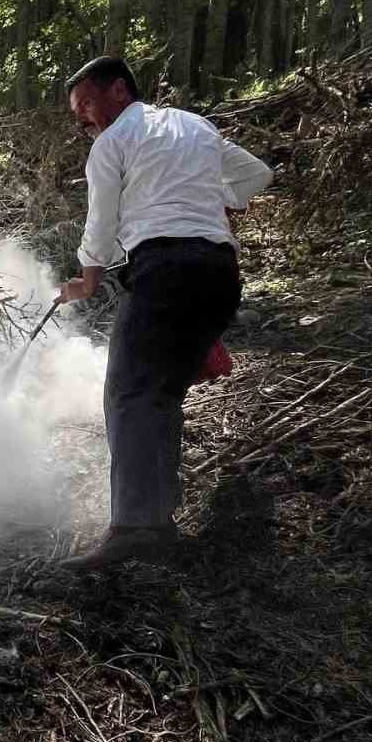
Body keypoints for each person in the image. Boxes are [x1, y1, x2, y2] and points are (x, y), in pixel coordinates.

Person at [58, 55, 273, 569]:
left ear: (118, 91)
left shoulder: (113, 143)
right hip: (219, 275)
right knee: (161, 394)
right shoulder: (194, 125)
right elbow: (257, 175)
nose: (83, 118)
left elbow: (102, 220)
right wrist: (210, 200)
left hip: (164, 273)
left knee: (129, 394)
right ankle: (158, 516)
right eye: (77, 111)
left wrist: (88, 279)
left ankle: (136, 528)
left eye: (86, 103)